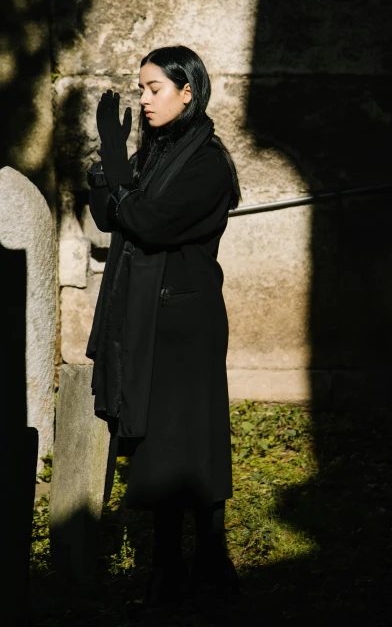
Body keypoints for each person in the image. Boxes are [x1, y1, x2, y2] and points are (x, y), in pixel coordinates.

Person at [86, 45, 241, 606]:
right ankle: (168, 566)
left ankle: (210, 562)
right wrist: (111, 160)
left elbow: (149, 222)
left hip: (186, 323)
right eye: (142, 89)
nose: (145, 100)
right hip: (150, 317)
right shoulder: (155, 153)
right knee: (154, 443)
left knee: (192, 441)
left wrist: (117, 168)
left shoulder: (207, 165)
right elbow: (112, 218)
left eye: (155, 89)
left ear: (188, 91)